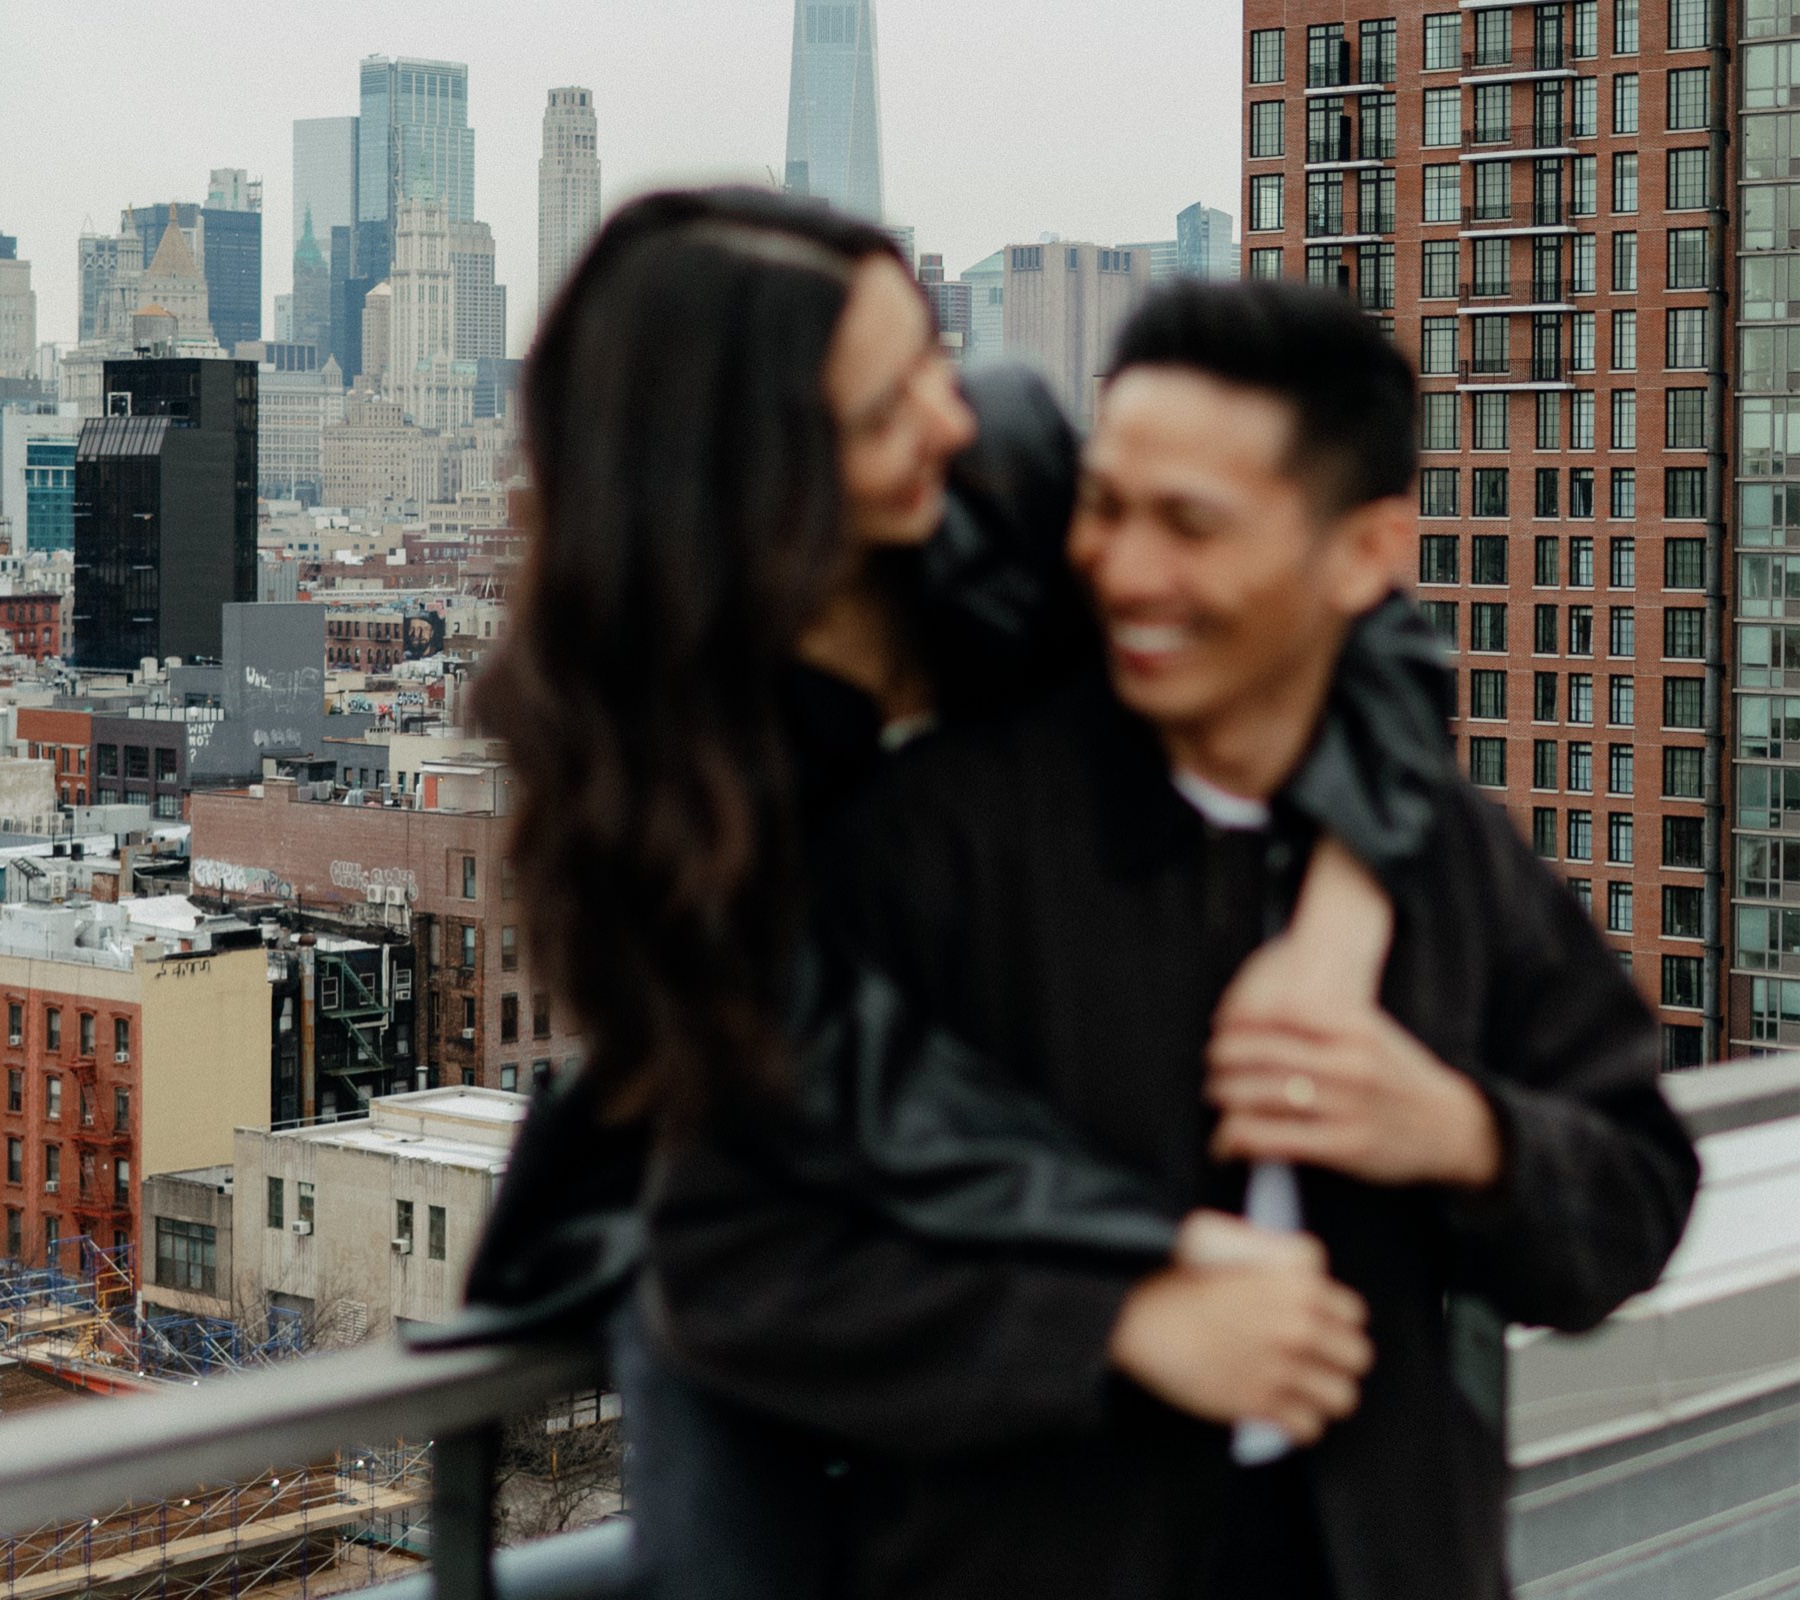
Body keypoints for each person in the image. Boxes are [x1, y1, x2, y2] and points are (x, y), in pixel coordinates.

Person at [640, 279, 1701, 1598]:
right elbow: (726, 1251)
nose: (1127, 573)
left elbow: (1640, 1190)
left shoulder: (1432, 851)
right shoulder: (938, 843)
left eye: (1191, 527)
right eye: (1108, 508)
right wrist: (1114, 1323)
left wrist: (1462, 1133)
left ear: (1365, 554)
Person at [461, 192, 1431, 1598]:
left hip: (1089, 1079)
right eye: (884, 409)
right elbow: (859, 1091)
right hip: (819, 1195)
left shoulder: (1009, 479)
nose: (950, 415)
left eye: (932, 352)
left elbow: (1367, 629)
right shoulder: (630, 761)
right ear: (749, 479)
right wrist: (1145, 1271)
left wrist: (1338, 925)